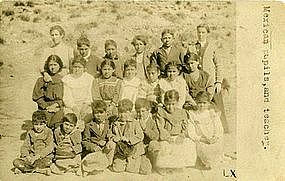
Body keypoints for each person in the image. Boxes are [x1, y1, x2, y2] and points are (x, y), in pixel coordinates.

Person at [189, 23, 228, 133]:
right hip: (198, 80)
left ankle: (222, 129)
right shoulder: (192, 47)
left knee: (216, 103)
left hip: (210, 81)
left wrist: (218, 82)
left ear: (207, 33)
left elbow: (218, 65)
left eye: (203, 32)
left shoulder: (212, 47)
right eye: (199, 32)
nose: (201, 34)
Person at [148, 90, 197, 174]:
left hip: (178, 136)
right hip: (166, 137)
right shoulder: (161, 112)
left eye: (173, 104)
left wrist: (181, 136)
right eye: (168, 104)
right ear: (164, 103)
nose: (170, 107)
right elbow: (161, 127)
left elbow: (184, 128)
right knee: (165, 147)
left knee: (188, 144)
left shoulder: (182, 113)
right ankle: (163, 167)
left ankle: (176, 166)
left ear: (177, 102)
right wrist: (167, 137)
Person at [186, 91, 224, 170]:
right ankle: (203, 161)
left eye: (204, 103)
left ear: (208, 103)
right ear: (196, 102)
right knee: (202, 150)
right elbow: (191, 131)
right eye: (199, 102)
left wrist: (215, 137)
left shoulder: (211, 113)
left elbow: (218, 127)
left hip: (213, 139)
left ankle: (213, 160)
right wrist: (201, 139)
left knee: (216, 148)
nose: (202, 105)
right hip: (201, 140)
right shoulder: (193, 114)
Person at [13, 111, 54, 175]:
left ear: (45, 124)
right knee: (16, 162)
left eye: (41, 124)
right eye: (36, 124)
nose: (38, 127)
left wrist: (39, 155)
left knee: (48, 162)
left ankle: (25, 169)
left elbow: (50, 147)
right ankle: (39, 170)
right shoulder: (30, 132)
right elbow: (25, 146)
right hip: (32, 156)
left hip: (43, 157)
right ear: (32, 123)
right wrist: (27, 156)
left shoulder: (48, 132)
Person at [81, 100, 116, 176]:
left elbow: (111, 134)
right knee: (94, 158)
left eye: (101, 113)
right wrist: (94, 146)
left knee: (112, 145)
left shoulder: (108, 123)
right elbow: (85, 141)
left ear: (106, 113)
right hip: (95, 150)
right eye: (96, 113)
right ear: (93, 114)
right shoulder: (89, 125)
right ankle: (88, 168)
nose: (99, 115)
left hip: (104, 149)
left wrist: (110, 139)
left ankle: (106, 165)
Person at [110, 99, 145, 174]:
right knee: (117, 169)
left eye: (125, 112)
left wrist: (128, 139)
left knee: (132, 170)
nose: (122, 115)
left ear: (130, 112)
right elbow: (110, 134)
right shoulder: (115, 123)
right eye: (120, 112)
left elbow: (140, 135)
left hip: (133, 150)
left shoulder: (134, 123)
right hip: (121, 151)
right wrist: (114, 137)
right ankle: (123, 161)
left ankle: (138, 160)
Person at [62, 57, 94, 131]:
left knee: (89, 115)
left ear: (84, 68)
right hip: (71, 106)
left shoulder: (89, 78)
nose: (77, 69)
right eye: (75, 67)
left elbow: (90, 95)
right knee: (69, 117)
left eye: (79, 67)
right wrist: (74, 107)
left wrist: (84, 106)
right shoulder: (67, 79)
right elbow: (67, 97)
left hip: (86, 105)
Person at [32, 55, 64, 129]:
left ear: (59, 66)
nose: (53, 67)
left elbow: (66, 96)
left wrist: (57, 105)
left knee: (59, 123)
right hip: (44, 107)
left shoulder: (63, 79)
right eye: (50, 65)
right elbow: (36, 97)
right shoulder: (41, 80)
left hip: (58, 106)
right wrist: (46, 106)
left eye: (55, 65)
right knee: (43, 122)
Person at [135, 98, 159, 174]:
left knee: (154, 144)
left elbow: (156, 137)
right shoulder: (134, 120)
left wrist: (145, 128)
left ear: (148, 111)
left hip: (148, 148)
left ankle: (154, 163)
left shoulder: (152, 122)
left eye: (143, 111)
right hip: (138, 148)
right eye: (138, 112)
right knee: (141, 170)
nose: (141, 114)